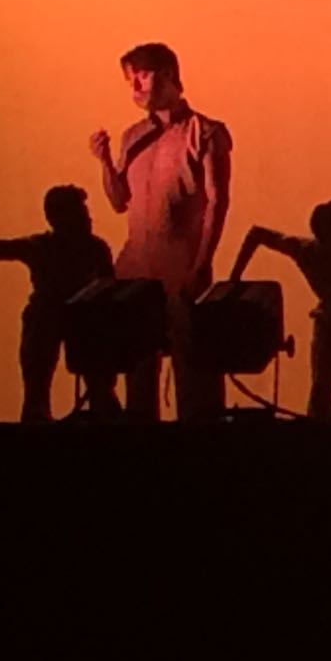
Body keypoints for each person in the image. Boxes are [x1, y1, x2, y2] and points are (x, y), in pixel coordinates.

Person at [89, 42, 232, 421]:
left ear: (167, 73)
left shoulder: (205, 132)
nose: (135, 86)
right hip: (136, 270)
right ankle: (141, 444)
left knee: (192, 366)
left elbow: (217, 203)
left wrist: (201, 263)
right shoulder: (133, 136)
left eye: (142, 75)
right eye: (130, 80)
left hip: (180, 267)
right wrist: (105, 162)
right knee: (137, 366)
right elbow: (119, 201)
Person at [229, 201, 331, 419]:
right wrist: (235, 278)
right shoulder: (306, 251)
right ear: (327, 232)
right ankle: (319, 429)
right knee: (321, 386)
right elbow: (257, 234)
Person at [0, 186, 118, 421]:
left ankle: (100, 404)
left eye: (85, 212)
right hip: (49, 318)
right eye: (80, 212)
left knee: (99, 385)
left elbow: (110, 293)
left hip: (84, 320)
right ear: (58, 218)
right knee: (38, 384)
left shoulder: (95, 249)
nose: (88, 218)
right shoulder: (41, 247)